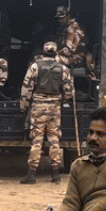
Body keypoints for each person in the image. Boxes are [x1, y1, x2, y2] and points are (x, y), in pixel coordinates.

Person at [19, 41, 74, 185]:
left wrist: (23, 106)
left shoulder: (35, 67)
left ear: (43, 52)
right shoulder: (63, 68)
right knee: (54, 139)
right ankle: (55, 174)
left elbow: (26, 88)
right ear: (56, 52)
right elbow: (69, 92)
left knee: (37, 140)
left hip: (39, 107)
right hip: (55, 107)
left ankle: (31, 174)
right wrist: (63, 99)